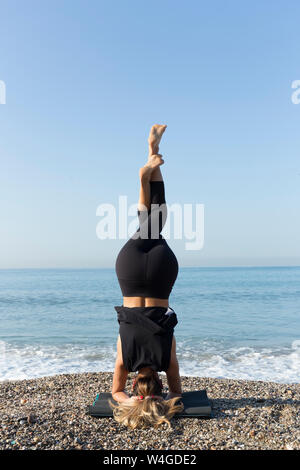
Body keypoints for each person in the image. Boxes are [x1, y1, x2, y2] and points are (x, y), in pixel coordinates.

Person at [110, 124, 183, 429]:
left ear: (158, 387)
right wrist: (130, 401)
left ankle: (148, 168)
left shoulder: (166, 358)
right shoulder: (125, 359)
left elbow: (178, 393)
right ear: (137, 388)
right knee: (150, 223)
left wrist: (163, 402)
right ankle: (151, 157)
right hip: (128, 272)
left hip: (160, 276)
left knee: (156, 221)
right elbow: (114, 392)